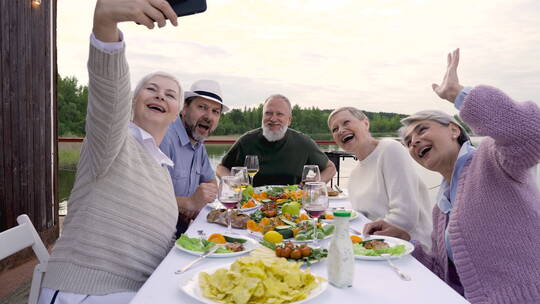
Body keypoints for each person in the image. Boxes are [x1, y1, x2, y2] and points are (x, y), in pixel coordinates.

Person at [363, 49, 540, 304]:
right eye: (408, 141)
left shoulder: (493, 158)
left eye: (422, 129)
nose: (414, 142)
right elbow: (443, 275)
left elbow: (531, 132)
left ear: (454, 130)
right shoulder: (442, 205)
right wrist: (403, 239)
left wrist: (458, 94)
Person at [39, 1, 181, 303]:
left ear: (177, 112)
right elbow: (108, 94)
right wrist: (105, 25)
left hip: (140, 289)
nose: (159, 95)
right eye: (151, 89)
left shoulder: (161, 168)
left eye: (170, 94)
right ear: (133, 100)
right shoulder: (113, 141)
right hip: (87, 290)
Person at [328, 107, 433, 248]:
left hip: (410, 249)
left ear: (365, 123)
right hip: (376, 245)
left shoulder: (390, 149)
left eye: (346, 122)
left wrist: (364, 240)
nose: (340, 130)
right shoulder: (354, 175)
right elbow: (360, 217)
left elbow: (404, 216)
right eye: (335, 129)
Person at [216, 94, 336, 186]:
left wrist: (316, 185)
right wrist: (231, 182)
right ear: (262, 117)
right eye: (268, 113)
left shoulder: (303, 143)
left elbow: (330, 168)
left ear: (289, 120)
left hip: (293, 208)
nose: (273, 119)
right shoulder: (246, 141)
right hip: (252, 207)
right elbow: (221, 168)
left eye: (279, 114)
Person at [160, 80, 226, 237]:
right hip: (157, 235)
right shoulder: (163, 138)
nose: (209, 117)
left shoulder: (199, 144)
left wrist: (199, 201)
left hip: (182, 231)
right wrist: (189, 203)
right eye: (202, 107)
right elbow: (148, 197)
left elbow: (211, 183)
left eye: (216, 112)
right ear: (184, 108)